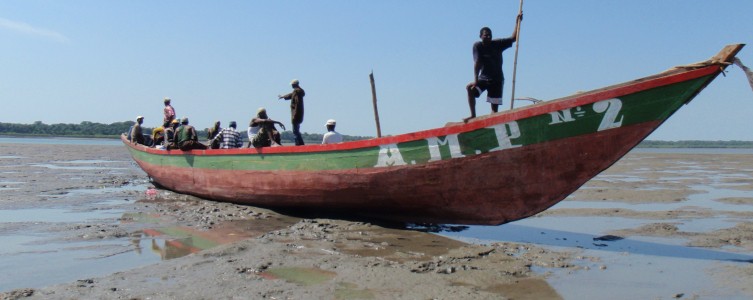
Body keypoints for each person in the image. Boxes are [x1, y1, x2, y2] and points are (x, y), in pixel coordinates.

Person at [464, 13, 523, 123]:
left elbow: (513, 38)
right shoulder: (478, 46)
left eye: (490, 35)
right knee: (470, 89)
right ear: (480, 36)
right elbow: (477, 62)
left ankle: (493, 121)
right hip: (484, 79)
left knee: (494, 111)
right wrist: (476, 80)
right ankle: (472, 115)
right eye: (485, 35)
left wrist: (517, 23)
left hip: (497, 80)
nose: (488, 36)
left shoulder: (497, 44)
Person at [278, 79, 305, 146]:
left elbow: (297, 103)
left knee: (295, 131)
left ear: (294, 85)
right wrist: (283, 96)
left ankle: (298, 145)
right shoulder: (297, 91)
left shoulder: (296, 91)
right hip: (299, 114)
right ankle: (301, 144)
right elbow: (291, 95)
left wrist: (295, 114)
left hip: (296, 114)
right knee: (296, 130)